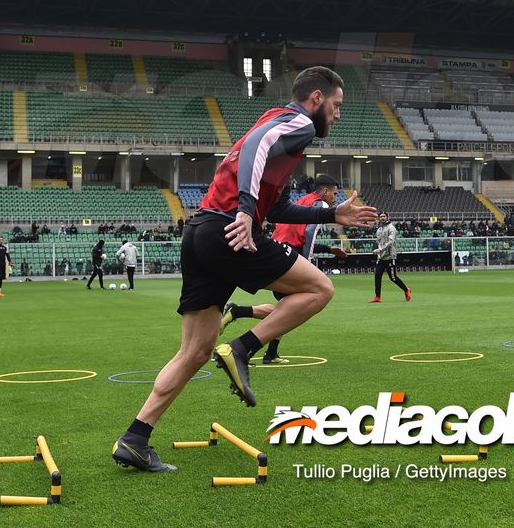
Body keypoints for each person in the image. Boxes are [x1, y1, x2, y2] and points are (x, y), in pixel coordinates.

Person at [111, 66, 376, 473]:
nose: (337, 115)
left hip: (201, 232)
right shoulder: (298, 123)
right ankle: (242, 348)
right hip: (229, 230)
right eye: (337, 106)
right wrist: (247, 210)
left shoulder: (279, 126)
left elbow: (281, 205)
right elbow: (255, 145)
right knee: (319, 289)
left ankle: (135, 438)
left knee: (194, 351)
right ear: (317, 99)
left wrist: (330, 214)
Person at [219, 174, 349, 364]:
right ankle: (238, 317)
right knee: (295, 307)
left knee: (289, 306)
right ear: (326, 191)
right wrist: (306, 263)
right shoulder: (321, 204)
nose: (335, 198)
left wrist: (328, 249)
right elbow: (309, 233)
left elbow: (296, 233)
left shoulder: (303, 200)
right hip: (288, 257)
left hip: (278, 249)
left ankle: (270, 352)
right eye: (334, 194)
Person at [370, 212, 411, 303]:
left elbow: (391, 242)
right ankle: (378, 297)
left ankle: (406, 290)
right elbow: (379, 242)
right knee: (377, 276)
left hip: (389, 257)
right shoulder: (379, 229)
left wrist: (379, 249)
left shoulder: (391, 228)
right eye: (380, 216)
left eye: (384, 216)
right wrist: (378, 251)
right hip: (381, 257)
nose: (382, 218)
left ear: (387, 217)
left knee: (393, 278)